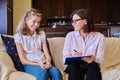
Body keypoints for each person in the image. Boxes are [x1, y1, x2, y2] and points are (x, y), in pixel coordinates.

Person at [14, 8, 63, 80]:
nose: (36, 24)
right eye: (34, 21)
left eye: (38, 22)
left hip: (42, 62)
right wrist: (38, 64)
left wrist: (48, 62)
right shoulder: (18, 36)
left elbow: (47, 54)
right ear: (26, 21)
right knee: (42, 72)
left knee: (56, 72)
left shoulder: (41, 34)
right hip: (30, 64)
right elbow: (23, 60)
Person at [63, 9, 105, 80]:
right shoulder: (70, 36)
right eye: (72, 21)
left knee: (93, 67)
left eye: (75, 21)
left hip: (91, 65)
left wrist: (94, 58)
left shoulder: (99, 37)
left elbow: (100, 58)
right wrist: (73, 56)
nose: (73, 23)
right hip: (74, 65)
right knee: (73, 66)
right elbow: (65, 58)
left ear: (85, 21)